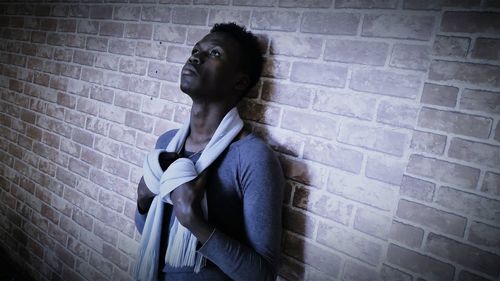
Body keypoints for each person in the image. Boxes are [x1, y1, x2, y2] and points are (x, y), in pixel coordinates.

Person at [134, 22, 285, 281]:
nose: (196, 56)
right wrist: (142, 199)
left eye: (215, 53)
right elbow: (147, 231)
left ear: (239, 82)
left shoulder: (251, 157)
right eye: (195, 49)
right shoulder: (167, 143)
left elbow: (263, 275)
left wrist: (194, 221)